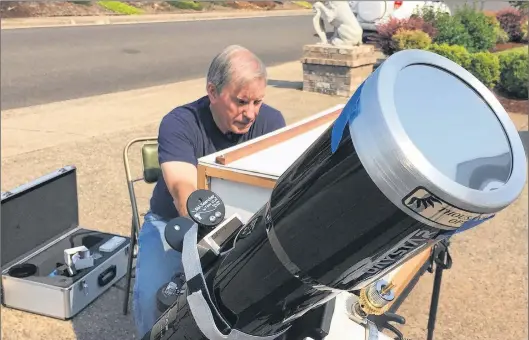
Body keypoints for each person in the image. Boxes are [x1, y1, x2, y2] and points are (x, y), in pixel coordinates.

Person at [132, 45, 287, 338]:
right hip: (175, 224)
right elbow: (182, 189)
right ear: (213, 92)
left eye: (257, 102)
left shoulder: (272, 122)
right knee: (152, 299)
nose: (250, 113)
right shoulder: (179, 122)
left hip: (246, 224)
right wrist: (208, 239)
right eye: (241, 101)